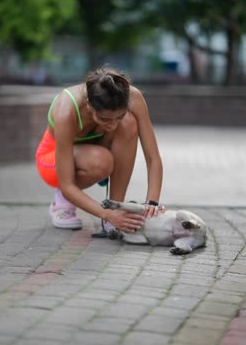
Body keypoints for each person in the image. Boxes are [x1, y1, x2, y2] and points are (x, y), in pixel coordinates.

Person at [36, 66, 164, 234]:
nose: (112, 125)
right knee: (101, 161)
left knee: (129, 122)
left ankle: (115, 209)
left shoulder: (133, 97)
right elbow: (67, 185)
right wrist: (105, 213)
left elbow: (153, 158)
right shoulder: (66, 110)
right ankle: (61, 202)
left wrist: (152, 204)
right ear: (89, 104)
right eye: (104, 118)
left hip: (95, 151)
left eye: (118, 116)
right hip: (51, 161)